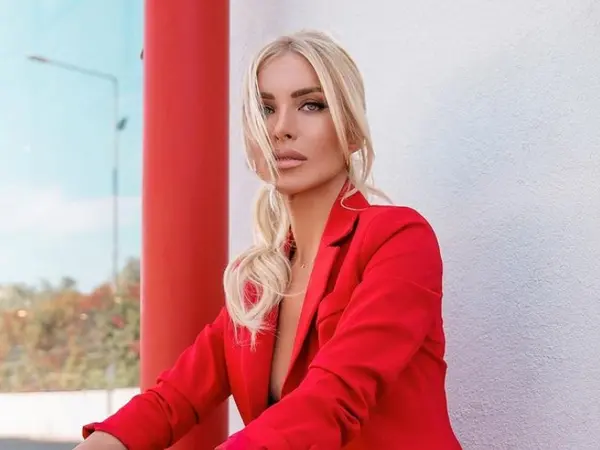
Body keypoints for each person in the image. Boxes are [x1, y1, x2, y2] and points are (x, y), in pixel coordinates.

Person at [74, 30, 462, 449]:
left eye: (311, 105)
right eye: (265, 109)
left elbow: (333, 399)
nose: (281, 128)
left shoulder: (399, 240)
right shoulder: (256, 283)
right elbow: (171, 401)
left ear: (351, 130)